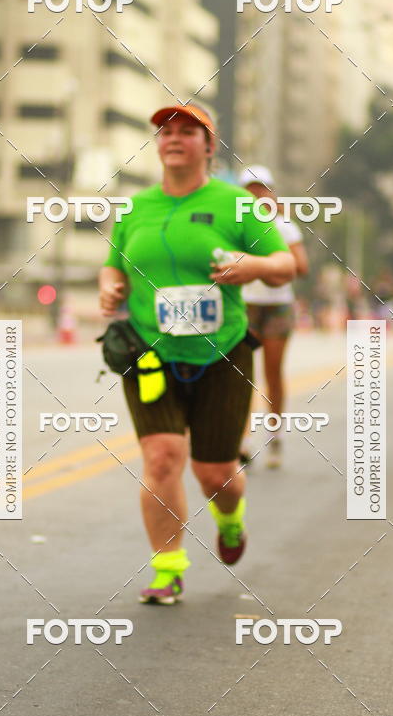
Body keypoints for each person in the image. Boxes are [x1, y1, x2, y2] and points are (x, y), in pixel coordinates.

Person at [99, 105, 296, 605]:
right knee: (162, 457)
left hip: (223, 352)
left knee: (216, 475)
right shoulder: (135, 208)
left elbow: (285, 264)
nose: (174, 138)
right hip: (149, 352)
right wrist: (109, 286)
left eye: (188, 131)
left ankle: (230, 520)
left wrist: (251, 266)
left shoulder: (237, 204)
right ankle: (168, 570)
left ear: (209, 146)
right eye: (166, 131)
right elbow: (113, 265)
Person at [238, 165, 309, 469]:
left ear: (271, 192)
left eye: (261, 188)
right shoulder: (235, 225)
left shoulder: (284, 226)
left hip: (277, 306)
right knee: (242, 375)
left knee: (273, 372)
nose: (256, 194)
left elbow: (301, 267)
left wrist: (266, 263)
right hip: (245, 305)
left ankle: (274, 435)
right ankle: (243, 441)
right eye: (250, 189)